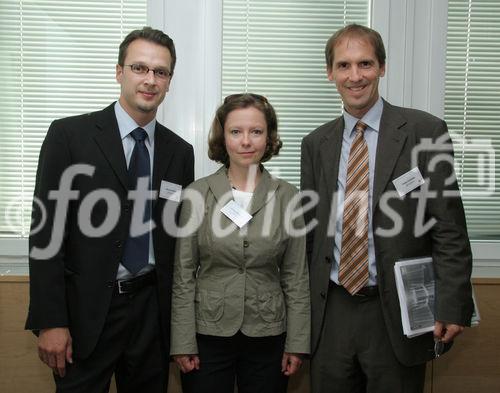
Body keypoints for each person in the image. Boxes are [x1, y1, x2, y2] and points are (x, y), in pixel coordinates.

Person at [301, 24, 474, 393]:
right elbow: (311, 235)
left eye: (365, 63)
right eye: (344, 65)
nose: (355, 75)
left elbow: (449, 227)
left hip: (395, 311)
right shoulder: (316, 143)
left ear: (382, 67)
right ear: (329, 72)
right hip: (331, 311)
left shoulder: (425, 132)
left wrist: (452, 305)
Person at [25, 27, 194, 392]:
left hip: (152, 316)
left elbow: (176, 242)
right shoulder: (69, 136)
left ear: (169, 82)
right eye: (139, 68)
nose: (150, 80)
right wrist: (51, 320)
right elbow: (46, 234)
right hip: (86, 315)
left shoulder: (180, 153)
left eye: (160, 72)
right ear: (119, 72)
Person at [170, 93, 310, 393]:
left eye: (256, 132)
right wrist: (182, 341)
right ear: (223, 137)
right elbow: (183, 275)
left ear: (268, 137)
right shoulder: (198, 193)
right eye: (236, 132)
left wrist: (298, 343)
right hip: (207, 333)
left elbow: (296, 277)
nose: (246, 141)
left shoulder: (287, 196)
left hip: (269, 334)